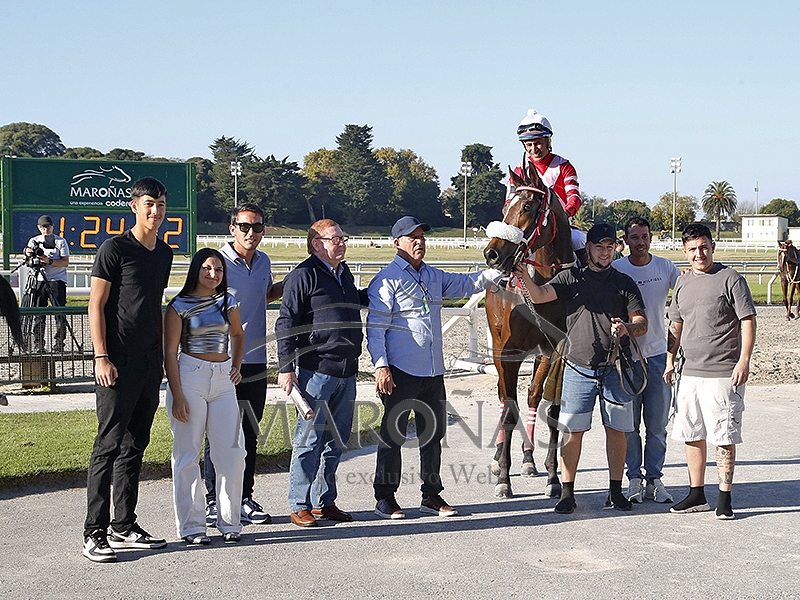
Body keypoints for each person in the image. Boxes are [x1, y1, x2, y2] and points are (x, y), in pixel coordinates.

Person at [367, 216, 503, 519]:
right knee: (393, 436)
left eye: (422, 237)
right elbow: (375, 329)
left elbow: (468, 283)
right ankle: (385, 497)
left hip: (432, 372)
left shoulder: (432, 276)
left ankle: (431, 495)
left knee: (432, 436)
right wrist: (381, 367)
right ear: (397, 243)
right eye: (412, 237)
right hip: (400, 371)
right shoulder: (387, 280)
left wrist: (500, 271)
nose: (419, 242)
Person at [514, 222, 647, 515]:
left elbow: (641, 322)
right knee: (572, 432)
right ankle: (567, 492)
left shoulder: (624, 283)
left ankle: (615, 491)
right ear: (588, 248)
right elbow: (539, 295)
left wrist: (627, 327)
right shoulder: (570, 277)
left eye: (609, 247)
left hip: (615, 369)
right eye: (599, 247)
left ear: (615, 248)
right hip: (578, 369)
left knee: (617, 431)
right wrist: (524, 277)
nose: (605, 252)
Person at [83, 177, 173, 563]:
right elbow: (95, 304)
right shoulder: (114, 248)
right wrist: (101, 357)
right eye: (149, 203)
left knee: (136, 445)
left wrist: (162, 359)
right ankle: (94, 532)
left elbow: (154, 305)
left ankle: (123, 525)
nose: (156, 211)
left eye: (161, 204)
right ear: (135, 206)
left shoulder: (164, 253)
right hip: (116, 362)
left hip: (150, 362)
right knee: (108, 444)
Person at [276, 219, 366, 527]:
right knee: (309, 440)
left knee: (336, 441)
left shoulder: (343, 273)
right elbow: (286, 322)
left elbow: (352, 302)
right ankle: (299, 503)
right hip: (316, 372)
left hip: (348, 371)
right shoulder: (303, 275)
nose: (341, 243)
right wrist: (286, 368)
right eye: (334, 238)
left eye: (342, 238)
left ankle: (325, 502)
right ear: (316, 244)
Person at [665, 223, 756, 520]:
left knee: (723, 435)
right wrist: (669, 360)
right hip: (688, 372)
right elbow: (676, 325)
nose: (699, 254)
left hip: (723, 372)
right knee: (691, 433)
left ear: (712, 246)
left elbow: (747, 320)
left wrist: (743, 360)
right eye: (692, 249)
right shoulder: (682, 283)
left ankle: (724, 497)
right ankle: (696, 494)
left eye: (703, 247)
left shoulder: (731, 279)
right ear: (685, 252)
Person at [204, 203, 283, 528]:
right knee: (218, 434)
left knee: (249, 434)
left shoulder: (263, 261)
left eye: (258, 227)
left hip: (256, 361)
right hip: (222, 362)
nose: (252, 232)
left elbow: (261, 296)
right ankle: (212, 500)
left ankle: (243, 497)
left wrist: (289, 283)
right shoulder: (216, 263)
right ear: (232, 228)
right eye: (245, 226)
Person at [164, 248, 246, 545]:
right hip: (190, 377)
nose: (213, 274)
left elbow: (238, 335)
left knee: (232, 454)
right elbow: (169, 352)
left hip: (223, 380)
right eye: (207, 268)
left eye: (219, 270)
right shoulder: (178, 306)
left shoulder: (227, 301)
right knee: (188, 454)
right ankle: (192, 527)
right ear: (196, 270)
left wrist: (236, 366)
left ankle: (230, 522)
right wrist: (177, 395)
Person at [613, 217, 680, 503]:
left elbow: (687, 294)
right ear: (626, 240)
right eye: (634, 237)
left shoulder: (666, 268)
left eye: (644, 237)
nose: (640, 242)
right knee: (629, 427)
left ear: (651, 238)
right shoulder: (617, 268)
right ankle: (633, 478)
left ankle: (654, 478)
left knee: (657, 426)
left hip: (657, 357)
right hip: (626, 359)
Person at [511, 109, 584, 255]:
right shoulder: (519, 170)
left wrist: (563, 216)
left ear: (547, 141)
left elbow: (574, 198)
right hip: (528, 227)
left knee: (578, 239)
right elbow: (509, 201)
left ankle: (586, 269)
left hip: (559, 226)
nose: (533, 149)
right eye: (529, 145)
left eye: (538, 143)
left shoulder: (564, 166)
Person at [23, 215, 70, 352]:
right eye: (43, 227)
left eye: (48, 226)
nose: (46, 229)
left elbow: (65, 262)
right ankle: (38, 344)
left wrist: (49, 261)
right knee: (39, 314)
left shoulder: (60, 241)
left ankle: (59, 344)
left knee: (59, 314)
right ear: (39, 228)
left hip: (57, 280)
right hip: (39, 280)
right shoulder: (33, 241)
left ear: (53, 226)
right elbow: (27, 263)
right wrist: (28, 254)